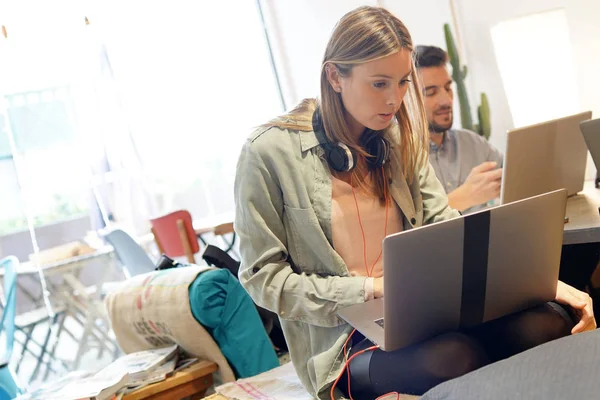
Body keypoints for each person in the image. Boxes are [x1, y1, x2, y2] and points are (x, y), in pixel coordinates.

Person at [234, 6, 595, 399]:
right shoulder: (268, 153)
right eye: (379, 83)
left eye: (403, 81)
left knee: (548, 324)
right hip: (344, 338)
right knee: (454, 357)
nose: (395, 99)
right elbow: (262, 279)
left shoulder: (399, 141)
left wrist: (545, 285)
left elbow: (449, 228)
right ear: (335, 76)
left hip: (429, 313)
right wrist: (370, 289)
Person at [415, 45, 503, 214]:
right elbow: (407, 227)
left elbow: (516, 180)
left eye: (448, 88)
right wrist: (466, 196)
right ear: (406, 100)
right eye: (431, 92)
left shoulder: (472, 142)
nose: (446, 100)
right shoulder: (397, 160)